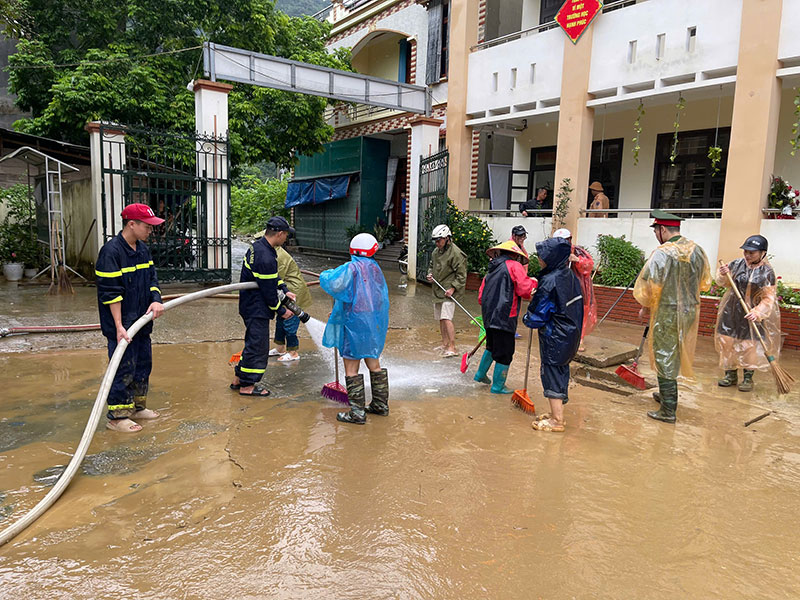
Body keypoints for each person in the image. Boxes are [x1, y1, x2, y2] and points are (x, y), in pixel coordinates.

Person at [633, 210, 712, 423]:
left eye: (656, 230)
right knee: (674, 352)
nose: (656, 235)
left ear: (663, 229)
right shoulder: (697, 250)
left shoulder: (662, 253)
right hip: (689, 311)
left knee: (663, 354)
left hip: (666, 311)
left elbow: (652, 285)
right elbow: (705, 282)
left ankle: (668, 410)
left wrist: (646, 307)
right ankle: (666, 394)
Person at [96, 203, 165, 433]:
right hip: (123, 324)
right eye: (147, 226)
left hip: (142, 321)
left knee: (143, 365)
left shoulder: (142, 250)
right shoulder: (111, 252)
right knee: (123, 367)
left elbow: (153, 278)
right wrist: (118, 326)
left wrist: (156, 299)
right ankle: (117, 417)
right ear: (131, 224)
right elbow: (111, 293)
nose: (150, 230)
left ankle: (136, 408)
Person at [320, 233, 390, 424]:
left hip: (353, 324)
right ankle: (380, 405)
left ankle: (357, 413)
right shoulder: (375, 268)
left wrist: (325, 274)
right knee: (374, 364)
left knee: (351, 368)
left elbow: (332, 283)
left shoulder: (351, 267)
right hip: (373, 324)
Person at [523, 236, 583, 433]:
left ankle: (557, 420)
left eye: (542, 256)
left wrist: (527, 317)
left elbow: (537, 315)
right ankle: (555, 412)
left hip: (555, 335)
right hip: (570, 334)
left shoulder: (549, 281)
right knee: (561, 371)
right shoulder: (569, 275)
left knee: (552, 374)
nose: (539, 259)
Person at [231, 216, 295, 397]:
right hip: (256, 307)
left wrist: (283, 288)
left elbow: (271, 277)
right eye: (286, 236)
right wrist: (281, 310)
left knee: (252, 343)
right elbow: (268, 292)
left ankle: (239, 379)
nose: (286, 240)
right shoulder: (265, 255)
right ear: (280, 234)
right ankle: (247, 386)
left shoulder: (259, 247)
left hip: (250, 305)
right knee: (258, 347)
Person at [715, 235, 781, 392]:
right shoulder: (736, 264)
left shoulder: (767, 272)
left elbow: (768, 298)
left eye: (752, 252)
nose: (747, 255)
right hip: (731, 310)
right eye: (746, 251)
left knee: (749, 345)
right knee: (727, 341)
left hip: (751, 313)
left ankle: (747, 378)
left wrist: (757, 312)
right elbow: (722, 282)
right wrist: (724, 274)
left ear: (762, 253)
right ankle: (730, 375)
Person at [474, 241, 537, 394]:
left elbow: (481, 297)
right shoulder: (514, 266)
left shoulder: (490, 271)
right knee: (505, 352)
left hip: (489, 317)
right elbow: (524, 289)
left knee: (492, 346)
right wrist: (534, 282)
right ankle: (498, 386)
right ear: (515, 255)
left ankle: (480, 374)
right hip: (505, 316)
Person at [553, 228, 597, 352]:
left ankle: (580, 339)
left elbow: (589, 265)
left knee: (581, 312)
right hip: (563, 287)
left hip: (580, 288)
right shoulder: (555, 252)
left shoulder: (578, 252)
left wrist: (577, 260)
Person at [426, 224, 467, 357]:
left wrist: (453, 288)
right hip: (438, 289)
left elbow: (462, 275)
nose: (437, 243)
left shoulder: (456, 253)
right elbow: (432, 266)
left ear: (447, 238)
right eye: (435, 241)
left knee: (446, 317)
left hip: (450, 291)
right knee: (440, 318)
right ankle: (444, 343)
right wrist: (430, 274)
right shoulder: (435, 252)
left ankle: (452, 347)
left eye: (439, 240)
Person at [270, 245, 313, 362]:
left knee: (290, 322)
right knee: (281, 320)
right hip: (284, 293)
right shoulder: (271, 253)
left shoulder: (279, 256)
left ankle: (293, 352)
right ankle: (280, 348)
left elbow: (275, 278)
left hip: (293, 292)